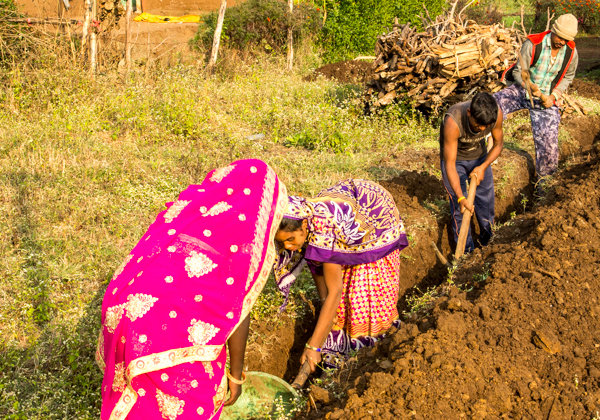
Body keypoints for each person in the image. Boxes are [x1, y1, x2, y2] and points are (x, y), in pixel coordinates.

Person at [97, 159, 288, 420]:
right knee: (191, 403)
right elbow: (237, 311)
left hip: (123, 311)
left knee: (141, 404)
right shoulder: (240, 235)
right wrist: (235, 375)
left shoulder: (193, 214)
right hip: (162, 328)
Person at [273, 179, 409, 371]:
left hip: (374, 220)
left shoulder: (324, 229)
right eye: (283, 242)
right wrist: (325, 307)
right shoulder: (306, 225)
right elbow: (317, 266)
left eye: (290, 239)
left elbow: (335, 291)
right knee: (336, 306)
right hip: (347, 220)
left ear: (304, 225)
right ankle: (337, 357)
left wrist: (314, 346)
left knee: (359, 293)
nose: (288, 246)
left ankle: (367, 358)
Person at [496, 14, 578, 190]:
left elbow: (569, 76)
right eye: (560, 38)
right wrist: (529, 85)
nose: (562, 43)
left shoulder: (571, 52)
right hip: (523, 90)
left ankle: (544, 192)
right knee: (492, 107)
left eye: (566, 40)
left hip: (544, 100)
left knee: (549, 151)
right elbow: (518, 72)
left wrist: (553, 96)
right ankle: (481, 152)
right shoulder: (533, 44)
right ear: (553, 31)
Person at [440, 91, 504, 253]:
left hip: (480, 157)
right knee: (460, 208)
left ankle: (488, 242)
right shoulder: (453, 122)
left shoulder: (496, 115)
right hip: (456, 161)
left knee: (486, 202)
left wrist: (482, 167)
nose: (482, 129)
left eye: (485, 126)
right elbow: (450, 164)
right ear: (469, 113)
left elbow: (498, 145)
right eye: (477, 125)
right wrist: (462, 197)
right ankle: (466, 254)